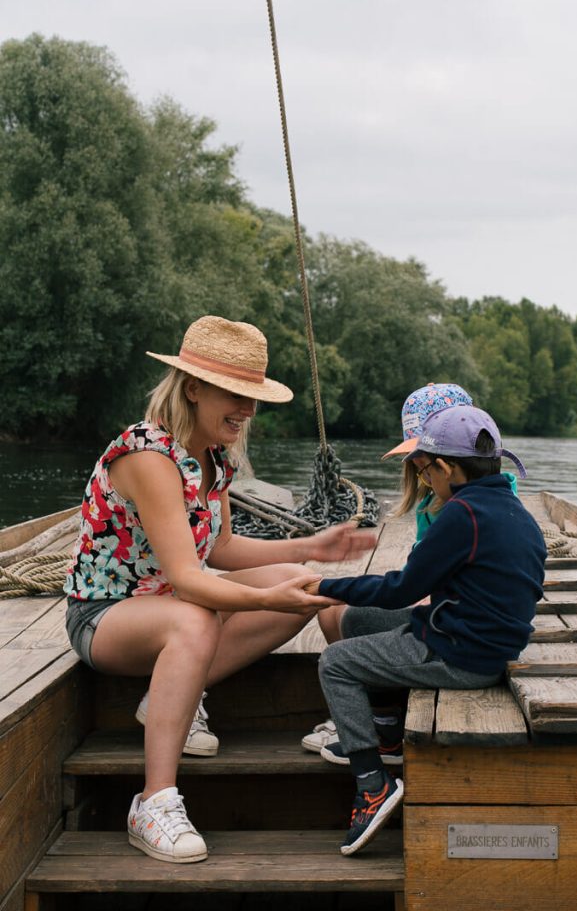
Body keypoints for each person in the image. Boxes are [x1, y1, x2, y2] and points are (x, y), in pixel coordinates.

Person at [64, 315, 374, 864]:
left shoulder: (213, 457)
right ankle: (153, 801)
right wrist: (266, 600)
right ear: (194, 388)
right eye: (236, 394)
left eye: (253, 396)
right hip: (107, 615)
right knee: (198, 616)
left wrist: (310, 549)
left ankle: (167, 697)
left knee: (299, 582)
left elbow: (223, 549)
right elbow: (189, 579)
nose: (249, 410)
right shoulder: (149, 455)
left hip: (169, 604)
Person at [304, 405, 546, 855]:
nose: (424, 482)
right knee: (356, 620)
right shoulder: (514, 510)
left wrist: (325, 585)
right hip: (482, 638)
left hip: (462, 656)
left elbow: (401, 589)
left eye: (426, 471)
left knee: (336, 662)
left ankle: (372, 784)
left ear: (448, 468)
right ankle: (386, 734)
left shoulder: (462, 515)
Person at [302, 382, 476, 754]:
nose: (417, 465)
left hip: (448, 628)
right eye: (414, 456)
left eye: (423, 455)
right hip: (436, 613)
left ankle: (379, 721)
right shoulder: (434, 502)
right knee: (331, 612)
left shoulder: (465, 510)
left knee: (344, 613)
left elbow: (413, 586)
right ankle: (362, 710)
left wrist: (336, 585)